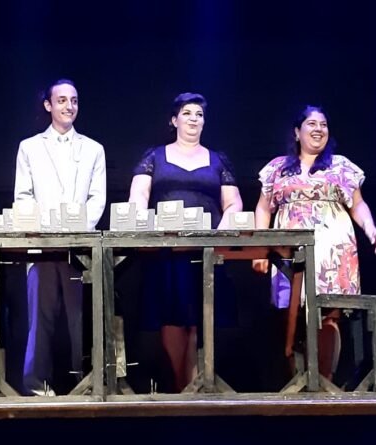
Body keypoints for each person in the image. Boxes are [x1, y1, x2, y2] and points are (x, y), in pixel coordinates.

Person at [252, 105, 376, 381]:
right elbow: (263, 208)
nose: (318, 129)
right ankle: (296, 381)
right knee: (291, 313)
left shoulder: (341, 166)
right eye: (311, 124)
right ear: (297, 132)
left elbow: (358, 204)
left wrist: (370, 227)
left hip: (332, 248)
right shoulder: (278, 168)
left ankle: (324, 381)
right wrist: (260, 248)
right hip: (289, 248)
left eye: (323, 125)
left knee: (328, 314)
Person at [128, 92, 243, 392]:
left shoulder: (218, 160)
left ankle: (195, 387)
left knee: (198, 318)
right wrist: (144, 225)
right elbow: (138, 195)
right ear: (174, 120)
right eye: (187, 113)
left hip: (205, 250)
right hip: (168, 252)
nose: (194, 119)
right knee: (172, 318)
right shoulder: (155, 157)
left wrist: (222, 232)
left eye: (199, 114)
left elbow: (233, 202)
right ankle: (178, 387)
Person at [14, 79, 107, 396]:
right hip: (41, 245)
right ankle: (36, 385)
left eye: (74, 100)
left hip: (79, 245)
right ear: (48, 105)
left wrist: (78, 228)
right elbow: (23, 195)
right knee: (40, 318)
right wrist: (44, 229)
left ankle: (82, 383)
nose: (69, 106)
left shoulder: (93, 149)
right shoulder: (29, 147)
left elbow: (97, 197)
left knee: (79, 318)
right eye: (62, 100)